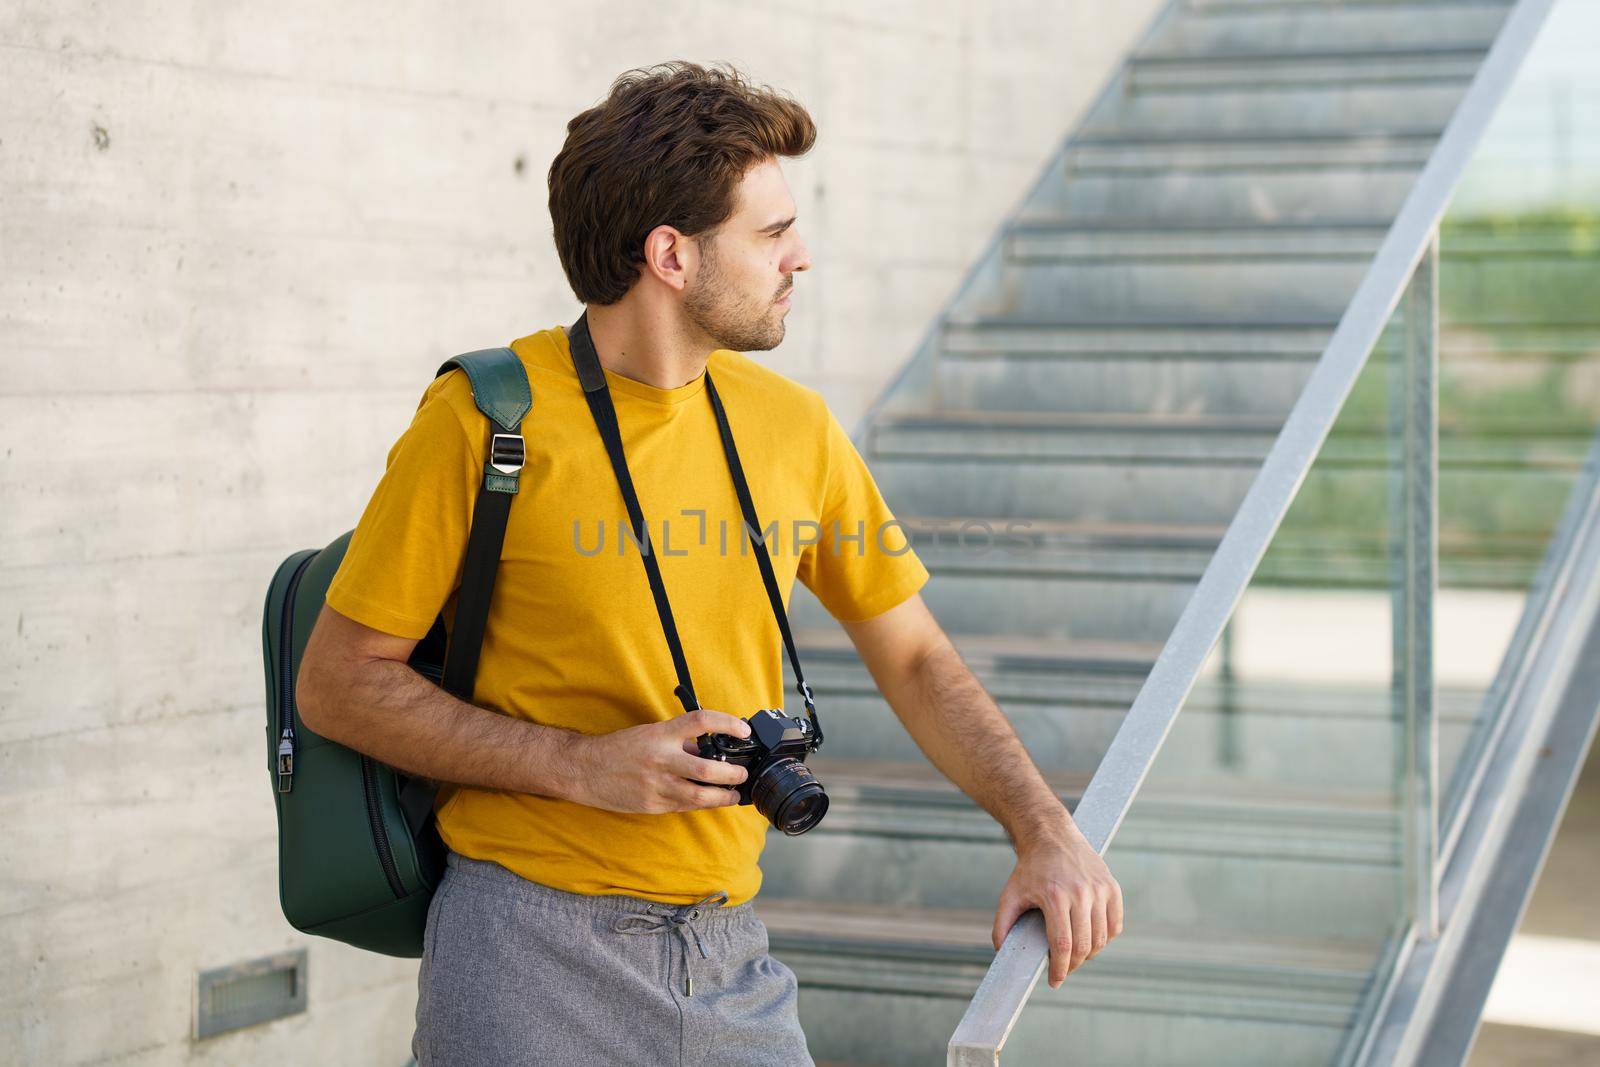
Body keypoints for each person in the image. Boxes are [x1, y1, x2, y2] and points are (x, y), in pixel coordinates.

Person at [295, 59, 1122, 1067]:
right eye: (771, 233)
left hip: (730, 955)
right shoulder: (483, 419)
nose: (800, 257)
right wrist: (579, 764)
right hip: (523, 948)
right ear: (671, 257)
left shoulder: (795, 427)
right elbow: (338, 683)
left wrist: (1043, 829)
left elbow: (913, 658)